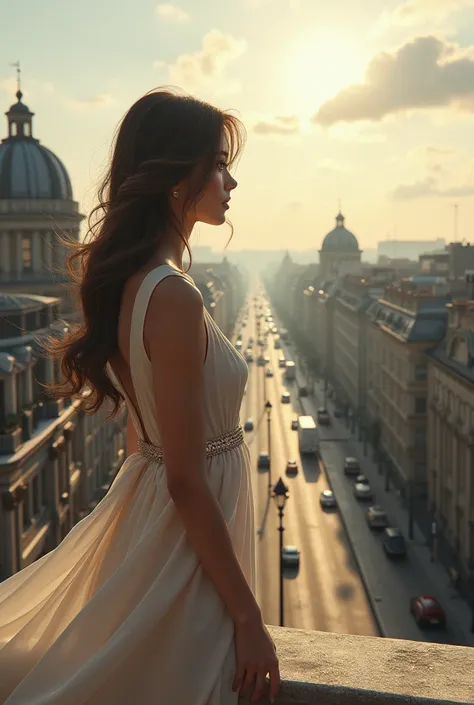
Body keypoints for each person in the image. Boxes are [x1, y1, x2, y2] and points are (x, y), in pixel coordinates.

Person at [0, 87, 280, 705]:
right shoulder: (174, 296)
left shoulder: (134, 284)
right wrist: (249, 619)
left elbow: (141, 441)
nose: (230, 181)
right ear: (178, 176)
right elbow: (183, 476)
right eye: (218, 163)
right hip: (186, 549)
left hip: (164, 528)